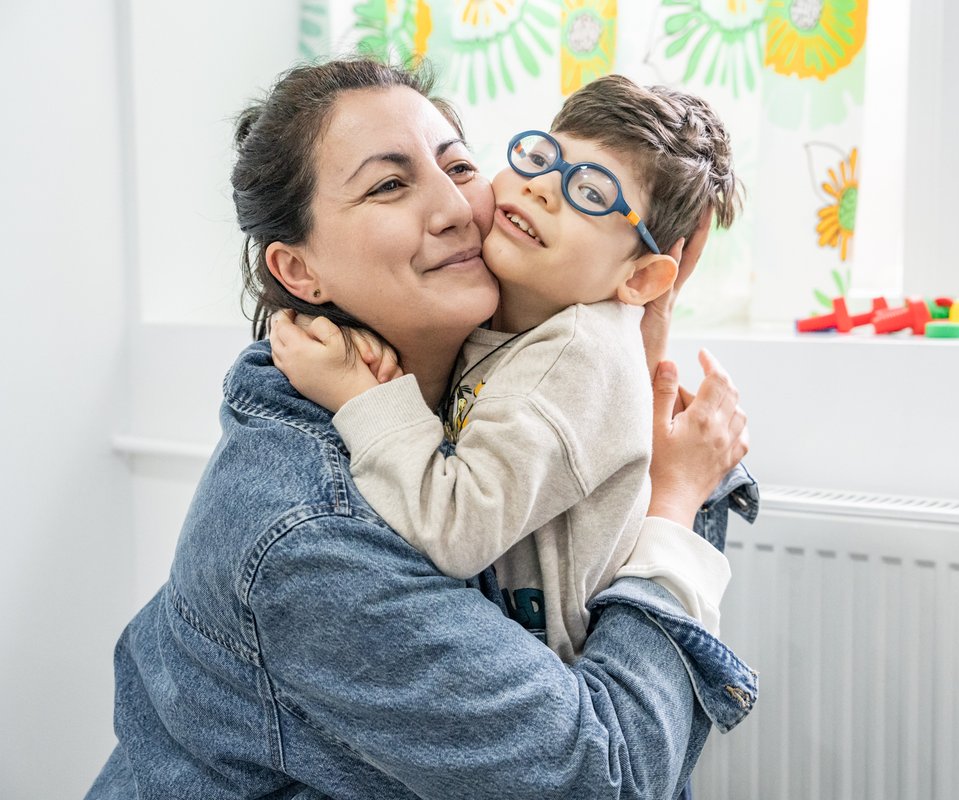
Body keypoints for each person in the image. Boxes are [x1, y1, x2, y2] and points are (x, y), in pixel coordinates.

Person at [86, 58, 758, 799]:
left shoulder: (510, 373)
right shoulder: (310, 535)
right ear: (300, 272)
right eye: (388, 185)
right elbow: (611, 778)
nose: (458, 209)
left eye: (459, 165)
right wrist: (674, 508)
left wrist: (634, 326)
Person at [269, 74, 742, 662]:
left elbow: (457, 527)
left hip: (551, 670)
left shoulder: (568, 361)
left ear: (641, 278)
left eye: (593, 194)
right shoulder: (523, 320)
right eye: (543, 156)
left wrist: (358, 393)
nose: (544, 188)